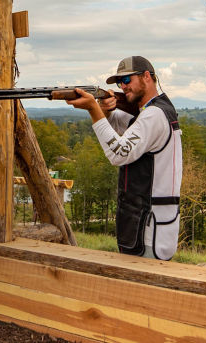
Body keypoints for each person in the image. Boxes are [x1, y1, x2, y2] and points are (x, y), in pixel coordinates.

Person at [66, 56, 182, 260]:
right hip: (146, 225)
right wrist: (106, 112)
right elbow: (127, 126)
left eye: (127, 80)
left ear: (146, 76)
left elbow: (119, 153)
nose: (122, 86)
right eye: (119, 83)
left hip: (150, 230)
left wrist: (94, 109)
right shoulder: (151, 111)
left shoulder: (154, 115)